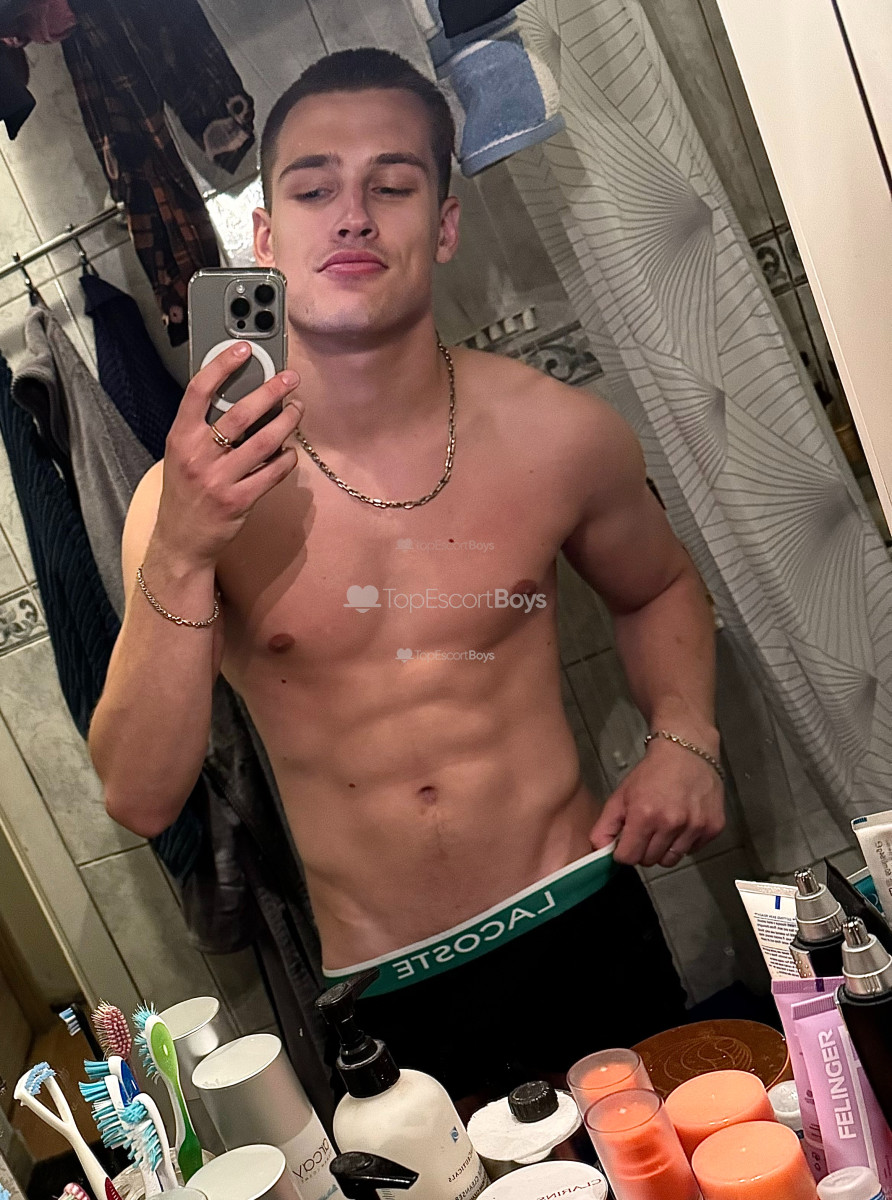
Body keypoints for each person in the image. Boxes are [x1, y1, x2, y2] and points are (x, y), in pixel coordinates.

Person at [89, 47, 725, 1104]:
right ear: (263, 238)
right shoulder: (187, 497)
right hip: (390, 994)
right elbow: (140, 795)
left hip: (583, 918)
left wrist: (685, 738)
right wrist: (188, 545)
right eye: (312, 190)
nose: (351, 216)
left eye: (390, 186)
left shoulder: (557, 432)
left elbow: (657, 586)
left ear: (444, 224)